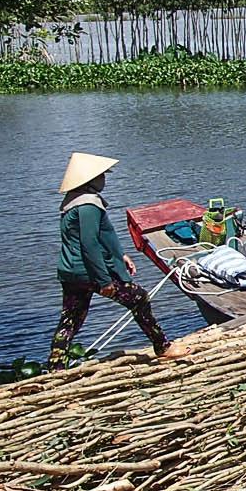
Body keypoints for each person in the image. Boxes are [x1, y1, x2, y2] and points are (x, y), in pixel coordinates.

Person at [48, 153, 193, 368]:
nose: (104, 180)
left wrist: (120, 255)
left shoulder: (72, 202)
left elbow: (91, 238)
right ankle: (163, 346)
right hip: (89, 272)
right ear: (91, 180)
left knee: (70, 319)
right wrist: (104, 280)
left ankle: (55, 367)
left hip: (71, 272)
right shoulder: (88, 205)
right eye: (101, 176)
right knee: (139, 298)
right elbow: (90, 244)